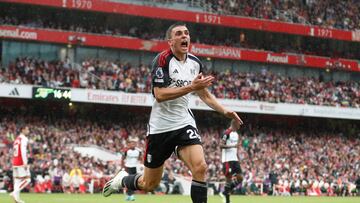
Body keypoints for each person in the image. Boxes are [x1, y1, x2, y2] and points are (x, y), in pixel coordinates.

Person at [102, 22, 243, 203]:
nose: (184, 36)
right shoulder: (162, 60)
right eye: (179, 34)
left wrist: (225, 111)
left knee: (200, 167)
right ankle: (121, 180)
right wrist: (191, 86)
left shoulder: (195, 63)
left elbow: (203, 93)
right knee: (149, 183)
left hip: (184, 123)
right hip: (160, 128)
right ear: (170, 41)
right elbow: (160, 94)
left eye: (186, 33)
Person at [219, 120, 243, 203]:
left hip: (234, 159)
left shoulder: (236, 134)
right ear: (235, 124)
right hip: (227, 160)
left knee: (240, 178)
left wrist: (238, 157)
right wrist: (233, 146)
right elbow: (221, 145)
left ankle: (224, 192)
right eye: (239, 124)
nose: (240, 126)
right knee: (228, 180)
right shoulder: (226, 132)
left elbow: (235, 148)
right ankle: (227, 200)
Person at [10, 126, 31, 203]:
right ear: (23, 130)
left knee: (17, 181)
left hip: (15, 162)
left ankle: (17, 200)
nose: (28, 131)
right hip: (21, 162)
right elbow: (23, 151)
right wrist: (25, 163)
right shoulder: (24, 139)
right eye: (27, 129)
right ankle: (15, 192)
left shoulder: (17, 139)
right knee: (28, 179)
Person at [122, 137, 142, 201]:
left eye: (134, 143)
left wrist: (141, 165)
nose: (133, 144)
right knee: (129, 182)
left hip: (135, 168)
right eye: (132, 143)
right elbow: (122, 159)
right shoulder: (126, 151)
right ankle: (130, 195)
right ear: (129, 144)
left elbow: (141, 159)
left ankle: (129, 195)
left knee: (133, 182)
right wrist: (122, 167)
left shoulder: (138, 151)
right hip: (128, 167)